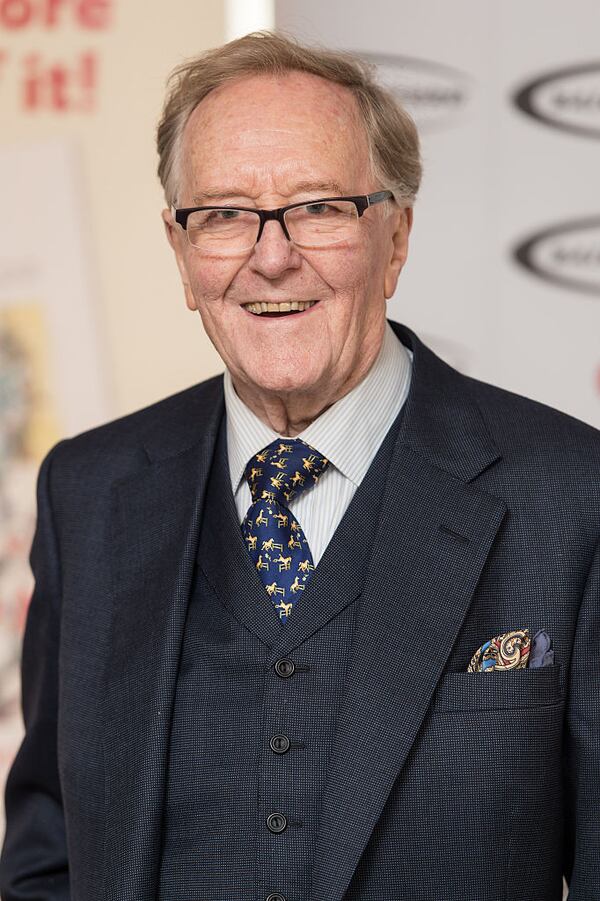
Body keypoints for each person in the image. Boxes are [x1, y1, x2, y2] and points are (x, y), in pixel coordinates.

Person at [1, 30, 598, 901]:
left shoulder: (572, 496)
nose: (270, 255)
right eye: (224, 213)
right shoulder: (88, 493)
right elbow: (47, 851)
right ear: (180, 253)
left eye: (319, 207)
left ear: (394, 238)